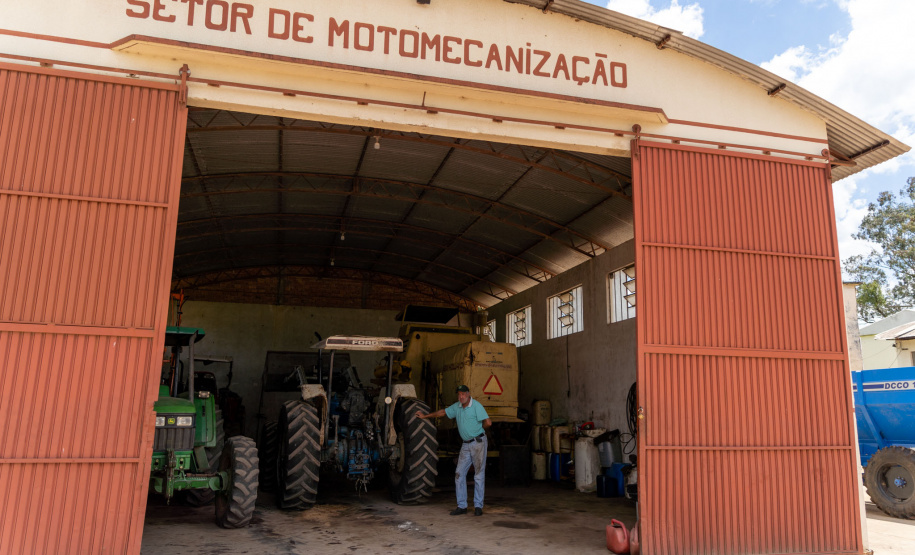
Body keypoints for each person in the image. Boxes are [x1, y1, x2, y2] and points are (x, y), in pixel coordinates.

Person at [416, 384, 492, 516]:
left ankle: (478, 506)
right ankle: (462, 506)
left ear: (468, 394)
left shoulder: (476, 406)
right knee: (459, 474)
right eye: (459, 394)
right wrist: (425, 416)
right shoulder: (457, 407)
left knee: (478, 475)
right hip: (466, 444)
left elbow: (488, 422)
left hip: (478, 442)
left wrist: (479, 431)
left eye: (463, 394)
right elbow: (442, 412)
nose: (461, 396)